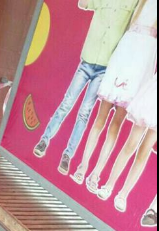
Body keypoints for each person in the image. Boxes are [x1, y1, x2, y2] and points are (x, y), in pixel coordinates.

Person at [34, 0, 139, 176]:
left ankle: (68, 155)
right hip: (86, 61)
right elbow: (82, 4)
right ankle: (44, 140)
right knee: (66, 103)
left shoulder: (133, 2)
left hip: (105, 68)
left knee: (84, 113)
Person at [72, 0, 157, 191]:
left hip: (141, 66)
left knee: (115, 124)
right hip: (124, 55)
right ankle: (83, 166)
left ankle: (96, 173)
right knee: (101, 118)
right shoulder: (139, 3)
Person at [96, 73, 157, 212]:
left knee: (144, 152)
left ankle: (123, 195)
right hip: (153, 96)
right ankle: (109, 185)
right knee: (131, 144)